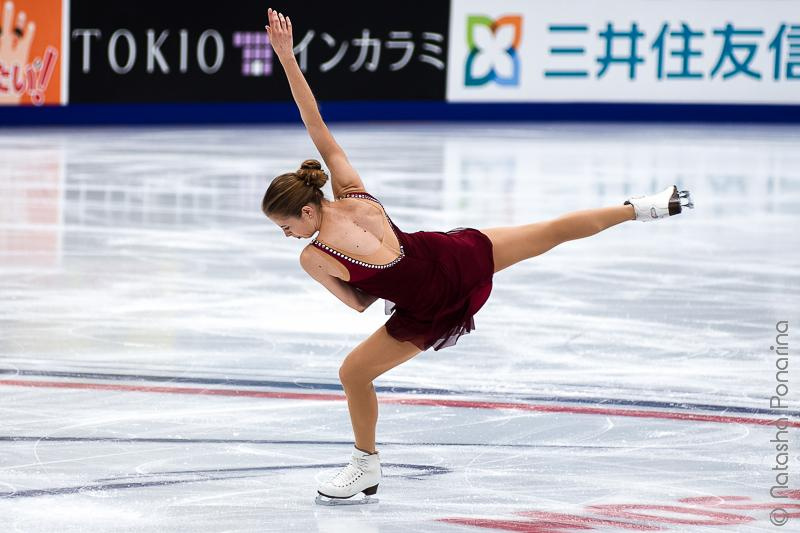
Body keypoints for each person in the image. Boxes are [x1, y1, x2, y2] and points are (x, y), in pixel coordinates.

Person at [261, 8, 694, 505]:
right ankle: (646, 207)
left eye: (286, 225)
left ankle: (365, 464)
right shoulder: (352, 190)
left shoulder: (315, 257)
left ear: (308, 210)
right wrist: (287, 58)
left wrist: (376, 285)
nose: (287, 235)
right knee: (550, 231)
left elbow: (359, 303)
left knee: (353, 374)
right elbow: (314, 122)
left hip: (428, 306)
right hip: (452, 255)